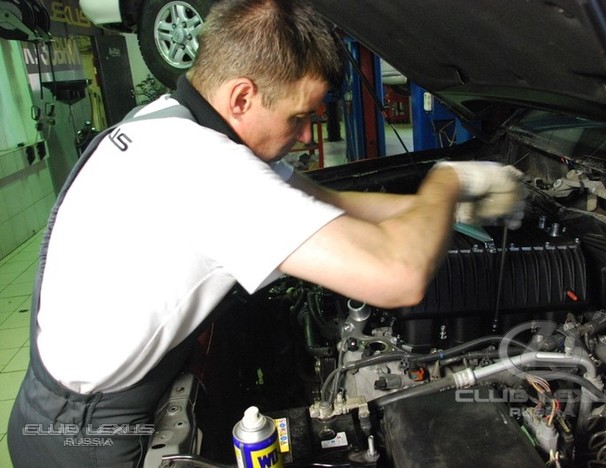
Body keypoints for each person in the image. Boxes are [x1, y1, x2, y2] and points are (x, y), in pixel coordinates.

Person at [7, 0, 524, 466]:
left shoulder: (170, 121)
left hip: (70, 407)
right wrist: (446, 182)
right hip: (87, 439)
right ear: (242, 96)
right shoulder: (206, 169)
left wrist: (443, 209)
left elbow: (335, 203)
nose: (305, 134)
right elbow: (400, 275)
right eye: (298, 118)